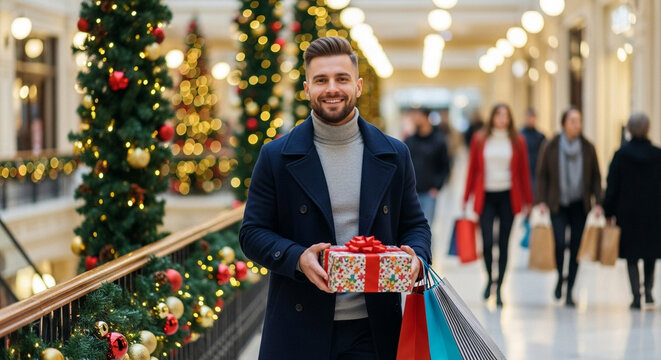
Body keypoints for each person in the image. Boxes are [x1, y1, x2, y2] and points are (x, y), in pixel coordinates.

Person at [239, 37, 431, 360]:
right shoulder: (276, 157)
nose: (332, 88)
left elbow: (415, 226)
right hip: (298, 324)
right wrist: (298, 257)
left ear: (357, 86)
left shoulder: (393, 155)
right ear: (307, 88)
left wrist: (417, 258)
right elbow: (252, 233)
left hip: (372, 329)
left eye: (341, 79)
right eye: (321, 80)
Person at [463, 103, 533, 306]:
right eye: (498, 115)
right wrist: (466, 197)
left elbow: (523, 172)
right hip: (486, 197)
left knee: (503, 243)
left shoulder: (517, 141)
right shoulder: (480, 139)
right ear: (492, 117)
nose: (502, 119)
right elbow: (472, 169)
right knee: (486, 242)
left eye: (506, 115)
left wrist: (529, 201)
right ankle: (488, 280)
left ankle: (500, 287)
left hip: (508, 197)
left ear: (510, 119)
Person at [536, 106, 602, 307]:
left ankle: (570, 290)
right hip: (558, 203)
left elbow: (596, 177)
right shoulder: (551, 145)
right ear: (564, 123)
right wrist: (541, 200)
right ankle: (559, 277)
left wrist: (598, 202)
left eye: (579, 121)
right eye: (573, 121)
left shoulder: (588, 147)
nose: (577, 125)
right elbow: (542, 175)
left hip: (579, 204)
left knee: (575, 248)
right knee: (558, 243)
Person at [603, 113, 661, 309]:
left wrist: (608, 210)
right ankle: (649, 292)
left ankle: (636, 295)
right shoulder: (657, 154)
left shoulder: (621, 154)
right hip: (653, 211)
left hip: (628, 212)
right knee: (650, 253)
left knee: (632, 254)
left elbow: (612, 185)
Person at [404, 108, 450, 225]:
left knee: (426, 226)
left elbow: (445, 166)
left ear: (426, 118)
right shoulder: (409, 141)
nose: (415, 119)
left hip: (429, 192)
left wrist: (437, 187)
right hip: (411, 192)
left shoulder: (438, 140)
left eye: (418, 116)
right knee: (409, 226)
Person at [520, 108, 546, 189]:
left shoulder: (540, 137)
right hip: (524, 169)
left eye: (533, 117)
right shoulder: (520, 136)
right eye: (529, 117)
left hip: (536, 170)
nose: (531, 119)